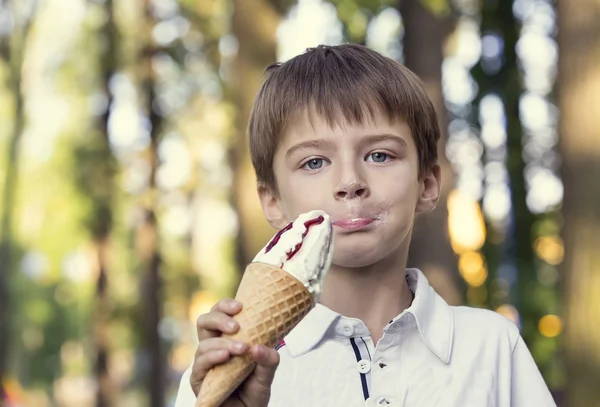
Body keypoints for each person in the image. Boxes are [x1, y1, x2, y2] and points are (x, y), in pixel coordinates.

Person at [174, 44, 556, 407]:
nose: (349, 181)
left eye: (379, 155)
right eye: (314, 162)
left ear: (426, 184)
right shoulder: (227, 375)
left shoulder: (490, 346)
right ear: (272, 201)